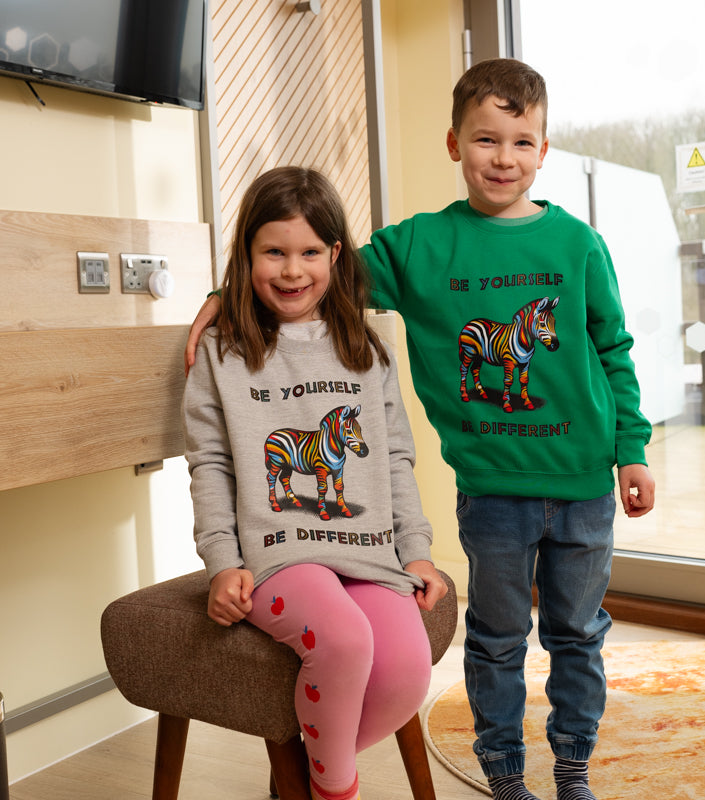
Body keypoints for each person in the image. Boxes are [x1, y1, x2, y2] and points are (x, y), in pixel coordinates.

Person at [185, 59, 655, 800]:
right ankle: (504, 776)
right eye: (486, 139)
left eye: (522, 142)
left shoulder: (579, 246)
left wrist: (633, 450)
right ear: (453, 143)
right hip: (494, 492)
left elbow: (613, 350)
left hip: (585, 483)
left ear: (544, 150)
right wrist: (225, 291)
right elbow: (313, 269)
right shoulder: (417, 247)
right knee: (497, 643)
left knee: (577, 637)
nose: (504, 158)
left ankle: (573, 769)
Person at [182, 165, 447, 800]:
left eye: (308, 253)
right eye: (273, 252)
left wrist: (416, 548)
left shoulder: (368, 349)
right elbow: (210, 463)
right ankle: (333, 792)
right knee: (345, 638)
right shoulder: (221, 352)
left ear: (334, 254)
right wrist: (222, 561)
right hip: (279, 555)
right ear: (246, 253)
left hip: (370, 551)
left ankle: (296, 780)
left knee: (408, 673)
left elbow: (394, 461)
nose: (292, 270)